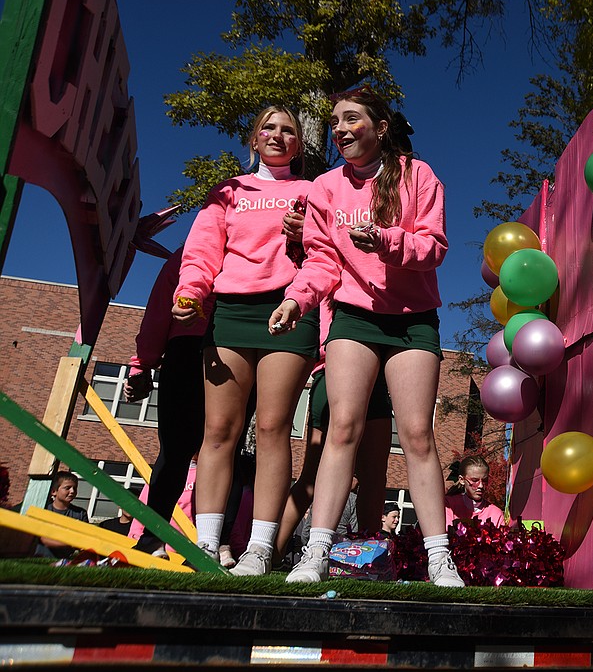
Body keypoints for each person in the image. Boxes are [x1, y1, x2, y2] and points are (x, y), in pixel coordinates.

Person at [269, 87, 462, 586]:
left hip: (413, 316)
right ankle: (316, 550)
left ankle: (440, 558)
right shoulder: (326, 188)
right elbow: (320, 260)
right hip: (353, 315)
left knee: (418, 434)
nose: (340, 129)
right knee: (343, 428)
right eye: (334, 122)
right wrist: (296, 299)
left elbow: (434, 246)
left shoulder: (419, 176)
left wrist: (386, 241)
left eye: (351, 119)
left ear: (380, 127)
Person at [173, 106, 319, 576]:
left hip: (290, 310)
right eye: (268, 128)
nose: (278, 135)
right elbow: (201, 251)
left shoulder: (312, 192)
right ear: (254, 139)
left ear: (299, 144)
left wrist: (309, 237)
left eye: (288, 129)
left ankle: (259, 548)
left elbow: (326, 255)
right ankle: (207, 544)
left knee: (275, 426)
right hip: (232, 311)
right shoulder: (227, 191)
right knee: (219, 431)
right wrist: (190, 293)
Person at [275, 305, 395, 559]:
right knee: (313, 476)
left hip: (375, 377)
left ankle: (366, 559)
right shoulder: (335, 282)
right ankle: (271, 551)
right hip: (335, 371)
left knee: (372, 476)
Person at [123, 246, 217, 559]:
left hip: (192, 347)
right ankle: (219, 541)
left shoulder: (188, 252)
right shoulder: (192, 253)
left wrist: (144, 363)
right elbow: (161, 309)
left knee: (178, 451)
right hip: (225, 349)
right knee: (220, 448)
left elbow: (157, 313)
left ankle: (154, 537)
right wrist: (143, 363)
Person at [35, 471, 89, 558]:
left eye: (75, 488)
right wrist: (71, 543)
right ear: (54, 491)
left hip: (66, 559)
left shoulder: (80, 513)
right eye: (67, 488)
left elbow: (84, 538)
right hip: (41, 556)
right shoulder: (44, 510)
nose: (72, 491)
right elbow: (43, 539)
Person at [445, 456, 504, 526]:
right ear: (462, 480)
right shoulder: (449, 505)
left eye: (485, 480)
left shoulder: (496, 513)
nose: (481, 486)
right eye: (474, 480)